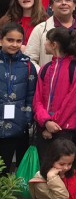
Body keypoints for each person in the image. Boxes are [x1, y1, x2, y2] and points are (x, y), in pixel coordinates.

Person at [33, 27, 76, 159]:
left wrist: (52, 124)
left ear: (54, 45)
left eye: (46, 41)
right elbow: (37, 100)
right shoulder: (45, 68)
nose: (44, 44)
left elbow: (72, 101)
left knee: (62, 170)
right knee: (43, 169)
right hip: (43, 127)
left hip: (64, 129)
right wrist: (45, 122)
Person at [0, 24, 37, 175]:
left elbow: (31, 94)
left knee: (11, 171)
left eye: (18, 41)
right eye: (10, 40)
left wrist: (26, 119)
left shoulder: (28, 65)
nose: (14, 44)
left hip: (17, 126)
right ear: (1, 40)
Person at [25, 0, 76, 68]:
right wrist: (44, 74)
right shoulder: (40, 29)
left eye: (68, 0)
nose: (64, 3)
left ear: (74, 6)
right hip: (49, 79)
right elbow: (29, 60)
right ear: (51, 6)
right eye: (58, 0)